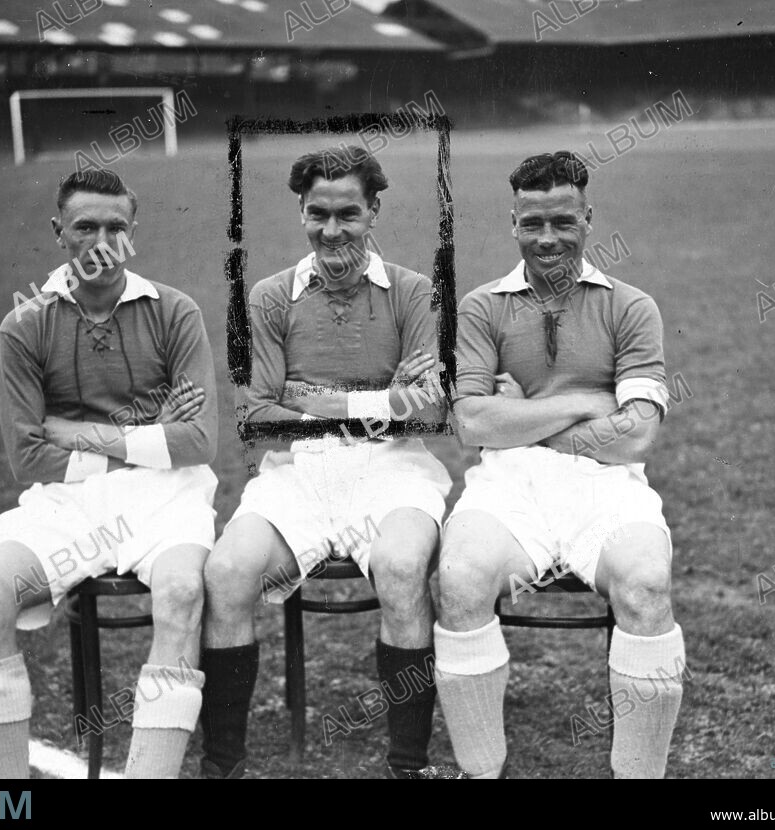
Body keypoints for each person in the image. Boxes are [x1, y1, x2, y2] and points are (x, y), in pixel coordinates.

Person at [199, 145, 452, 779]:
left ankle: (406, 763)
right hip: (297, 473)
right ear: (301, 212)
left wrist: (307, 396)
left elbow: (425, 409)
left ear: (374, 212)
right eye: (317, 214)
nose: (331, 230)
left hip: (395, 467)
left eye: (348, 214)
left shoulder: (415, 291)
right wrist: (378, 397)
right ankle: (221, 763)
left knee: (398, 566)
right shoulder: (268, 297)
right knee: (227, 572)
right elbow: (255, 416)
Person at [0, 169, 219, 779]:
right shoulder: (23, 326)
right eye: (85, 227)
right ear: (58, 233)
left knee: (182, 591)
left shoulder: (175, 310)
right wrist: (148, 435)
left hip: (166, 498)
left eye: (116, 227)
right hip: (67, 501)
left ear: (133, 233)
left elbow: (200, 440)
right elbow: (27, 457)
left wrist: (74, 432)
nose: (102, 240)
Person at [436, 151, 684, 779]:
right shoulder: (481, 307)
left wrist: (526, 416)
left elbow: (636, 439)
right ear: (513, 221)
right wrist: (583, 401)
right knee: (461, 581)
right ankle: (481, 769)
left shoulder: (632, 307)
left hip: (607, 486)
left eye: (563, 223)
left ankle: (639, 773)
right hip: (507, 486)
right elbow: (471, 425)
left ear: (588, 218)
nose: (548, 239)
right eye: (533, 223)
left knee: (647, 587)